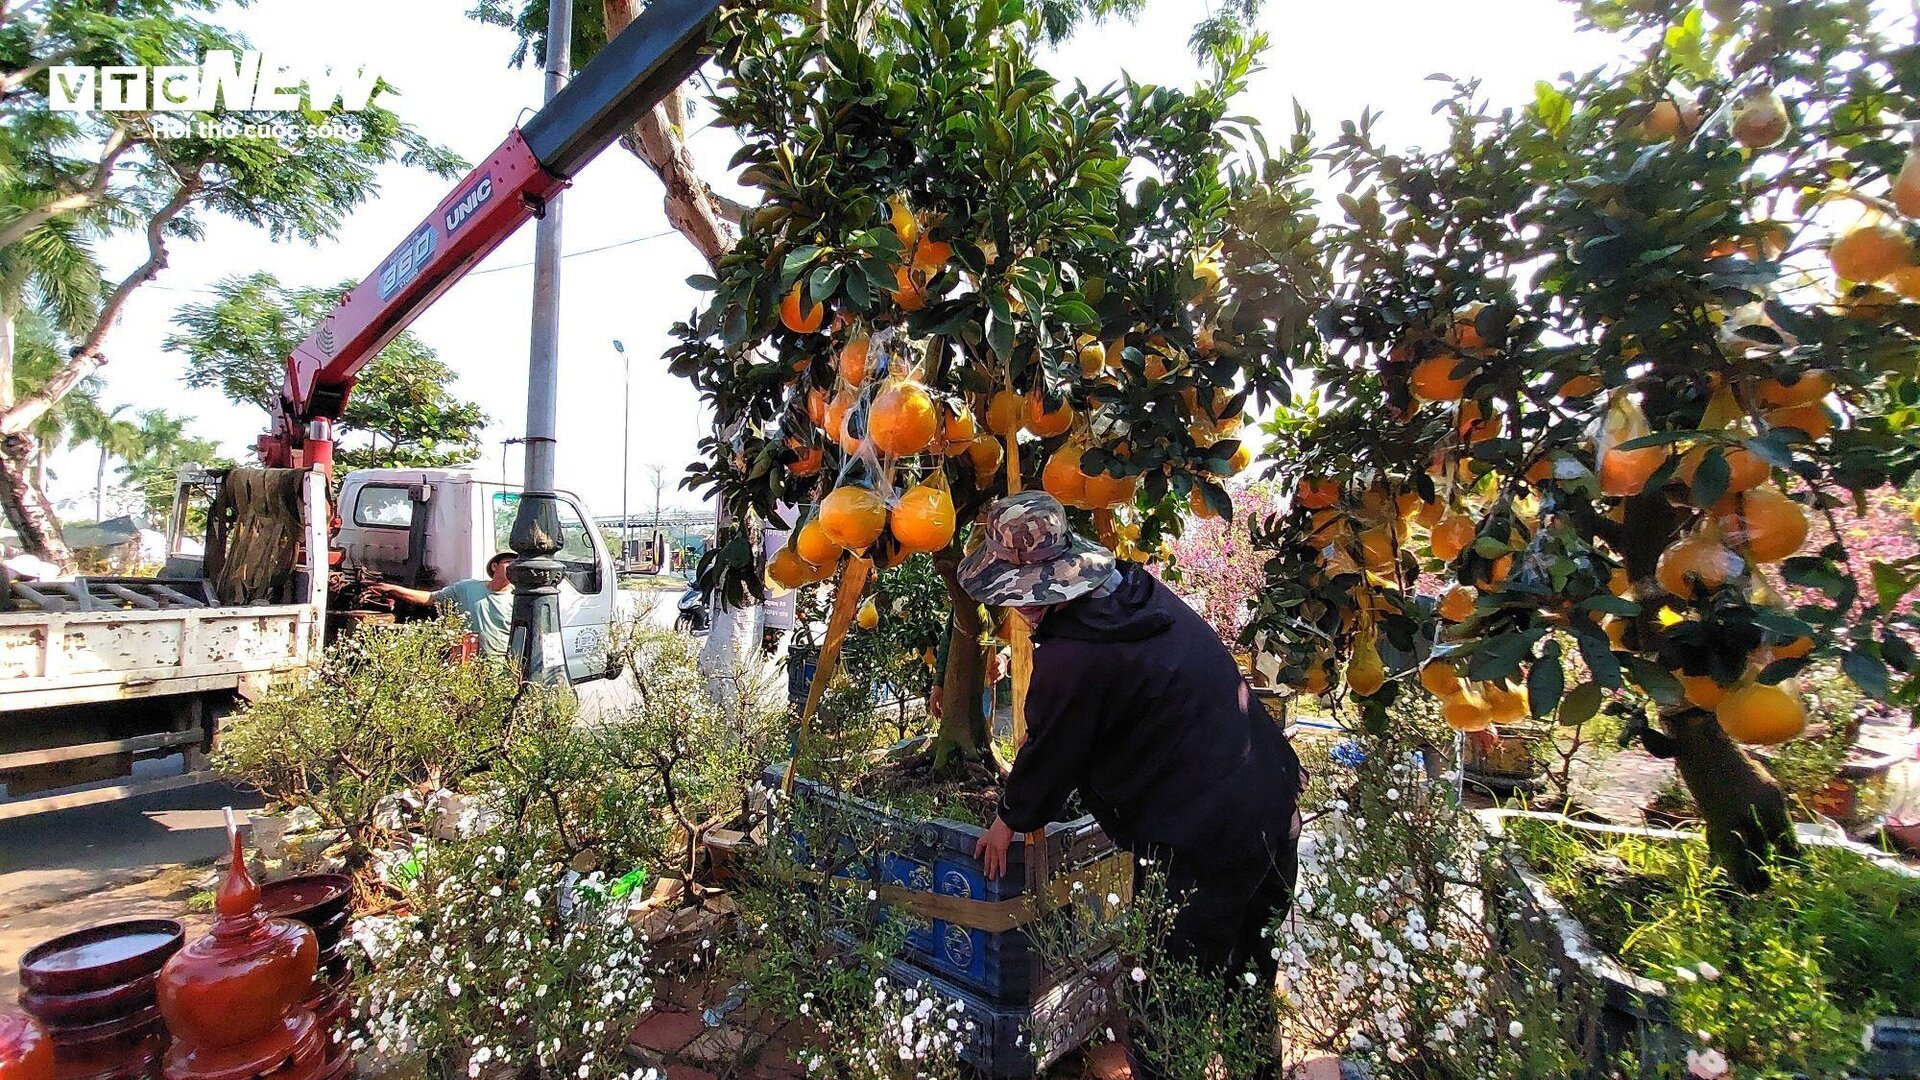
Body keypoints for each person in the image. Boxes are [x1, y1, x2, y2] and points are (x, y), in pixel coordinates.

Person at [959, 491, 1302, 1080]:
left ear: (1031, 599)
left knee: (1169, 997)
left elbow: (1051, 754)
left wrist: (1007, 821)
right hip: (1270, 801)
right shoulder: (1136, 596)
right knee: (1248, 972)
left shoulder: (1073, 657)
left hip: (1203, 838)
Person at [371, 551, 515, 655]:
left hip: (499, 663)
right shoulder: (467, 588)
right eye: (510, 562)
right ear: (494, 566)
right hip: (466, 659)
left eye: (518, 563)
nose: (514, 566)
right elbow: (430, 598)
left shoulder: (518, 598)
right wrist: (392, 589)